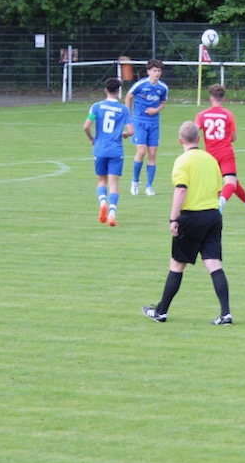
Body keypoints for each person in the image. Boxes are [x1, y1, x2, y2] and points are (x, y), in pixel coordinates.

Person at [142, 121, 232, 325]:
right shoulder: (210, 160)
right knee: (214, 264)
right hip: (213, 215)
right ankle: (226, 313)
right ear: (198, 139)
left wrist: (173, 218)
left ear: (180, 140)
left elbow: (181, 189)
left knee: (177, 264)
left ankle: (161, 312)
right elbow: (219, 190)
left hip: (191, 217)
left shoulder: (183, 161)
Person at [194, 84, 245, 215]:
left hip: (210, 155)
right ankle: (221, 201)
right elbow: (233, 138)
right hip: (225, 153)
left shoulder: (201, 115)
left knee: (232, 181)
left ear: (211, 98)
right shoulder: (228, 115)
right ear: (223, 99)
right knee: (230, 183)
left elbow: (193, 133)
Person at [83, 78, 133, 226]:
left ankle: (103, 202)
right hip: (116, 151)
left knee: (101, 181)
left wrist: (92, 138)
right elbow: (131, 131)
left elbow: (86, 126)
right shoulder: (124, 109)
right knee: (114, 184)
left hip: (100, 149)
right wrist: (125, 134)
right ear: (119, 91)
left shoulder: (96, 107)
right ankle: (112, 213)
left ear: (105, 90)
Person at [125, 59, 169, 196]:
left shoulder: (163, 88)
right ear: (148, 71)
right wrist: (129, 117)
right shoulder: (140, 85)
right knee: (141, 151)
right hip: (139, 122)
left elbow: (163, 103)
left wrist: (156, 110)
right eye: (154, 71)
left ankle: (149, 186)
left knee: (152, 153)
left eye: (159, 71)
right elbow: (128, 97)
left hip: (154, 123)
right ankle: (135, 181)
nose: (157, 73)